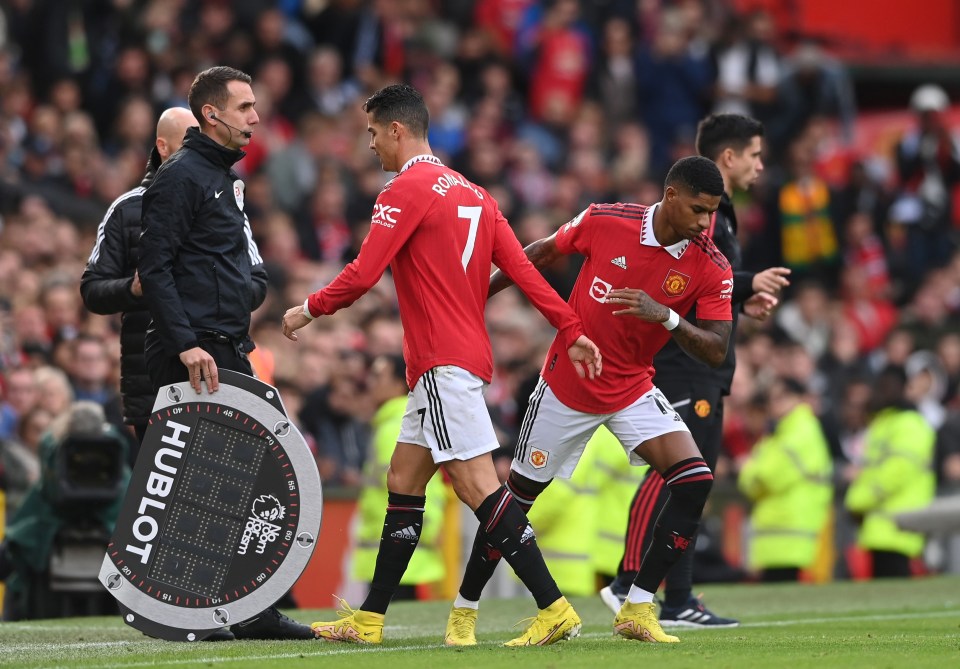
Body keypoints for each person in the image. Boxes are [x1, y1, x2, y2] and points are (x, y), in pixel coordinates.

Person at [282, 83, 601, 647]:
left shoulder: (404, 189)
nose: (372, 145)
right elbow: (527, 273)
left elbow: (362, 273)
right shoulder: (476, 194)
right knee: (403, 480)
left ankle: (553, 607)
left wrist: (308, 309)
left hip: (439, 363)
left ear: (398, 130)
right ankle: (372, 618)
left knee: (481, 488)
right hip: (464, 358)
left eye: (375, 133)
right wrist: (570, 328)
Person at [445, 155, 735, 646]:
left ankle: (638, 606)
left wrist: (665, 316)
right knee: (512, 503)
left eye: (712, 213)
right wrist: (478, 300)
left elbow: (716, 348)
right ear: (670, 197)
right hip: (566, 388)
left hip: (632, 388)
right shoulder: (606, 220)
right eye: (699, 210)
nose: (707, 223)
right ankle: (464, 612)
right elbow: (537, 253)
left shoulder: (709, 263)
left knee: (694, 482)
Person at [137, 66, 312, 641]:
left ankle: (246, 606)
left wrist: (245, 295)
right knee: (202, 482)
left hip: (227, 343)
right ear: (211, 114)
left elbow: (223, 263)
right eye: (244, 108)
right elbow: (155, 269)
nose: (255, 118)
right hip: (195, 351)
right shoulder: (180, 176)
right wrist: (186, 343)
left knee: (249, 474)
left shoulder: (223, 178)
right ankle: (198, 608)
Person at [601, 114, 791, 628]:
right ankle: (630, 582)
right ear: (727, 158)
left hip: (702, 361)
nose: (759, 164)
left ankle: (677, 597)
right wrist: (747, 285)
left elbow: (705, 285)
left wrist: (738, 299)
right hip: (682, 364)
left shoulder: (718, 216)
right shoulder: (697, 217)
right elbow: (677, 276)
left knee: (692, 476)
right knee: (679, 472)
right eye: (754, 154)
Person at [80, 107, 198, 452]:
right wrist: (131, 289)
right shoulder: (127, 209)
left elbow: (256, 283)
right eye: (188, 146)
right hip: (151, 385)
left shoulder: (225, 206)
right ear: (163, 147)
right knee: (160, 501)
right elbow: (92, 289)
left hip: (215, 377)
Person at [352, 354, 447, 598]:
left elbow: (404, 487)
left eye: (378, 376)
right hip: (404, 544)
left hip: (393, 545)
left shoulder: (395, 426)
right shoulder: (398, 421)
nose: (370, 382)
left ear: (399, 383)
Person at [737, 377, 833, 582]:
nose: (774, 403)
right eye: (772, 398)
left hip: (789, 528)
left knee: (781, 594)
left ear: (798, 399)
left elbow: (766, 477)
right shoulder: (782, 432)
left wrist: (749, 471)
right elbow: (752, 479)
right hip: (781, 530)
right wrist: (751, 474)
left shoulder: (800, 430)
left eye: (781, 397)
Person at [845, 365, 936, 578]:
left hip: (900, 526)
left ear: (905, 387)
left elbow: (896, 472)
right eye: (882, 386)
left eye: (890, 386)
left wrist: (858, 500)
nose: (885, 392)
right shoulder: (884, 422)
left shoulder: (910, 423)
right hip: (881, 525)